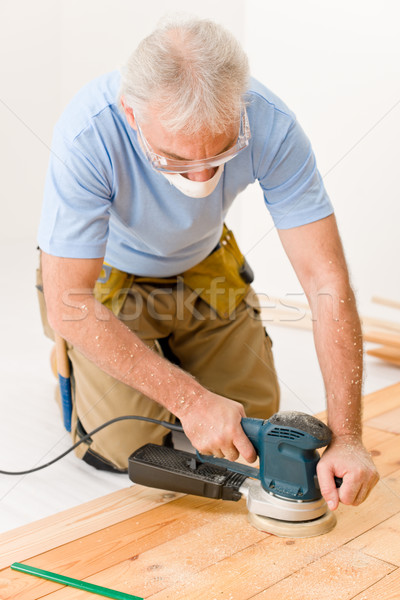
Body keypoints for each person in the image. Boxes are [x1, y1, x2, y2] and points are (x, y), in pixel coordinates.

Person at [37, 16, 378, 511]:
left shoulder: (269, 122)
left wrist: (348, 436)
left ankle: (170, 354)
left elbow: (326, 280)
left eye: (220, 154)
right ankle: (77, 368)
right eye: (175, 159)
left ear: (238, 107)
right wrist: (190, 401)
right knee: (125, 446)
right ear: (132, 115)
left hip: (202, 266)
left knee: (253, 421)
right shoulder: (87, 134)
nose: (200, 177)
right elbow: (70, 301)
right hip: (105, 280)